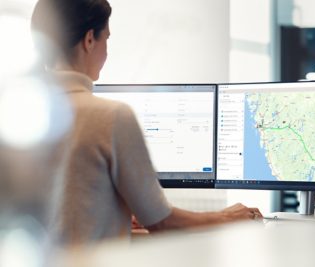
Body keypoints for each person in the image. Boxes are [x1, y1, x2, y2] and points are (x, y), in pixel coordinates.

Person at [31, 0, 262, 245]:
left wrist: (113, 212)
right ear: (89, 40)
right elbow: (162, 223)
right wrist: (228, 216)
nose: (107, 51)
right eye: (106, 39)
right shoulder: (111, 116)